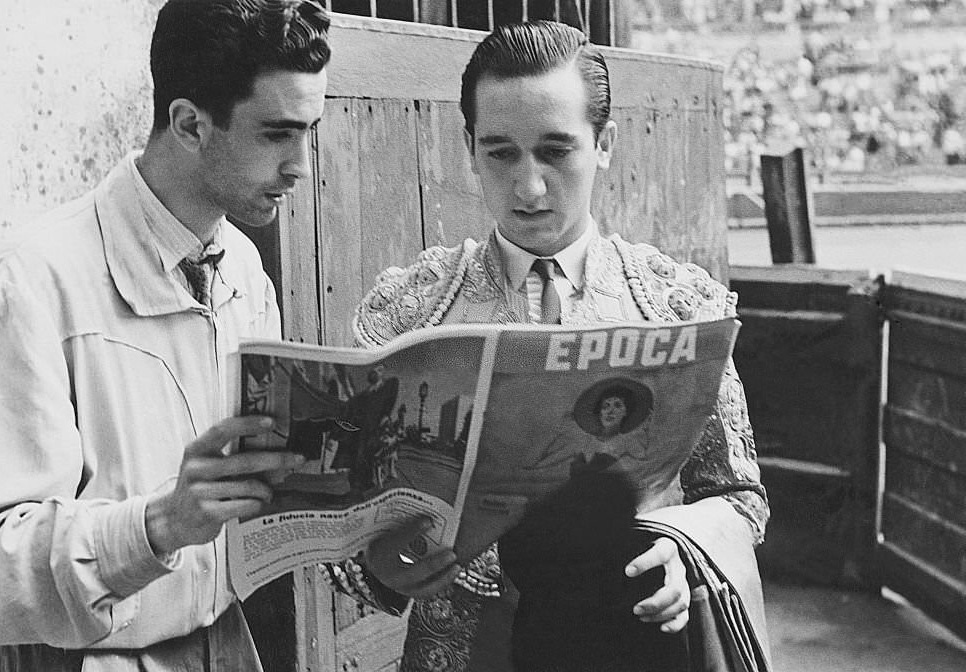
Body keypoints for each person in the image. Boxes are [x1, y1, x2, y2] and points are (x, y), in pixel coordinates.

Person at [325, 19, 770, 672]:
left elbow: (739, 496)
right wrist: (378, 566)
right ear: (470, 146)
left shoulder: (675, 305)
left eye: (556, 151)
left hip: (635, 642)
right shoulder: (409, 312)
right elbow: (340, 525)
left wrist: (687, 553)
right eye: (501, 152)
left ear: (605, 144)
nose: (529, 188)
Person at [0, 1, 331, 670]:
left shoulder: (245, 269)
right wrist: (161, 524)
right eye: (277, 134)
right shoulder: (30, 280)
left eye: (310, 131)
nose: (301, 167)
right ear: (190, 124)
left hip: (228, 645)